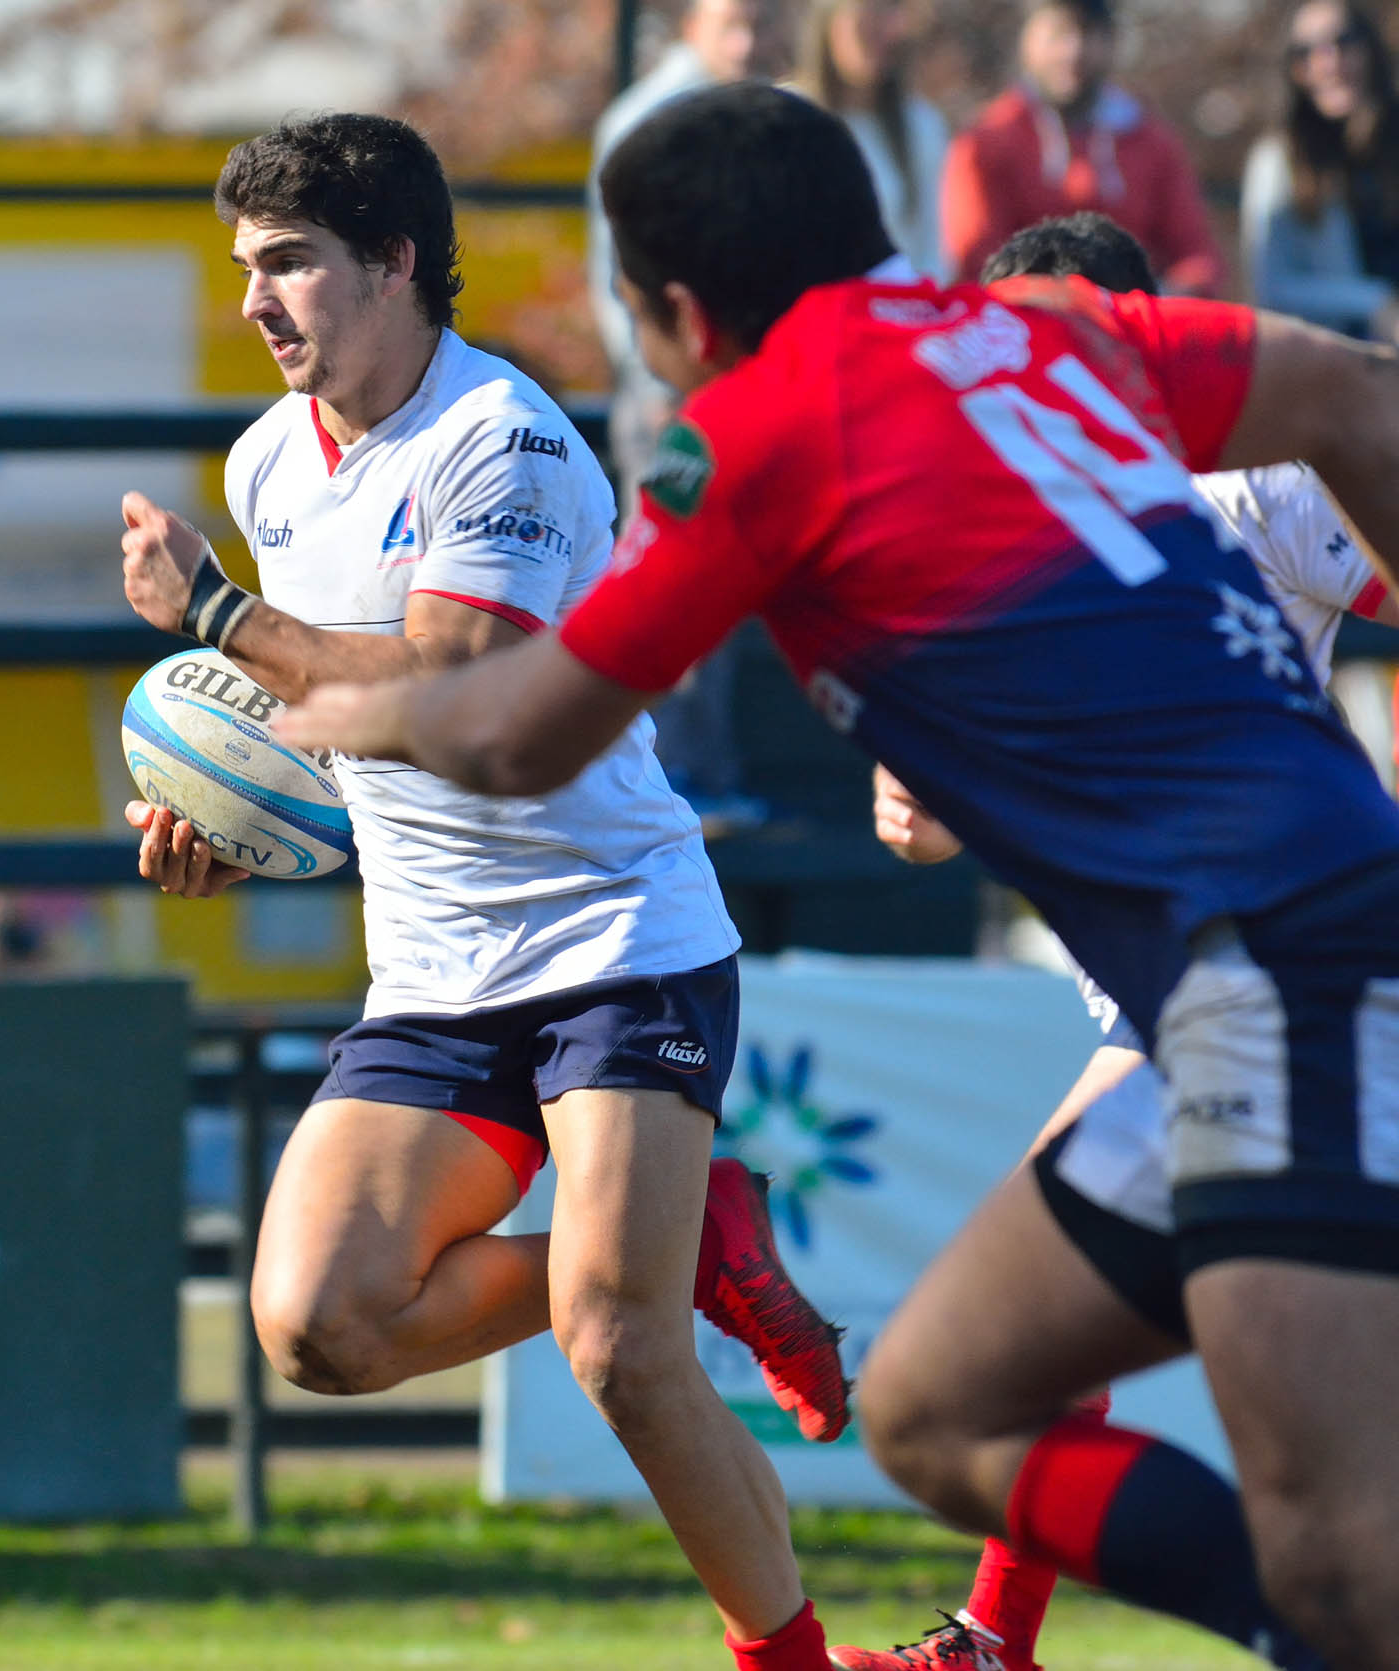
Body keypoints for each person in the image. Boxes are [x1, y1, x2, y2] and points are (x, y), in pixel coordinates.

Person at [274, 84, 1399, 1669]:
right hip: (1239, 985)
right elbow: (1360, 390)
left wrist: (271, 676)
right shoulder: (1053, 334)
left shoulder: (766, 435)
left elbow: (517, 732)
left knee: (1336, 1537)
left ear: (675, 312)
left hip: (1300, 971)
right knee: (943, 1406)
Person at [114, 112, 848, 1668]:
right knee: (318, 1320)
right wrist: (210, 806)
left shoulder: (500, 437)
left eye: (291, 263)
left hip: (614, 940)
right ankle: (697, 1241)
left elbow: (459, 678)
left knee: (620, 1346)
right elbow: (326, 722)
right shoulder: (266, 461)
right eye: (246, 265)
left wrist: (220, 618)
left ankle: (789, 1651)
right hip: (436, 970)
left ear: (395, 263)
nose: (257, 299)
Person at [827, 211, 1399, 1671]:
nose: (1025, 359)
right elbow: (939, 814)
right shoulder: (985, 517)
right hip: (1178, 995)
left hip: (1281, 978)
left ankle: (1022, 1636)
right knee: (995, 1369)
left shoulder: (1257, 483)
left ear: (1149, 344)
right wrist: (922, 801)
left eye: (1068, 327)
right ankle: (1007, 1636)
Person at [588, 0, 791, 832]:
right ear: (693, 25)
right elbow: (616, 276)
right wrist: (666, 379)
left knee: (731, 577)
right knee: (670, 571)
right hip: (670, 401)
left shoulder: (775, 114)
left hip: (746, 391)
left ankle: (708, 774)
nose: (748, 42)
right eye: (733, 22)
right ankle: (667, 776)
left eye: (764, 22)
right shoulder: (649, 121)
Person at [939, 0, 1223, 295]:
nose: (1073, 52)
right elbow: (978, 264)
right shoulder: (984, 143)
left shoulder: (1152, 141)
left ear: (1111, 41)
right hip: (1026, 327)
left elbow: (1197, 258)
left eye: (1088, 32)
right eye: (1058, 33)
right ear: (1027, 39)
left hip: (1139, 328)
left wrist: (1159, 303)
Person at [1242, 0, 1399, 339]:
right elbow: (1271, 288)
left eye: (1344, 41)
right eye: (1306, 51)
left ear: (1370, 48)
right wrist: (1375, 302)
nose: (1329, 62)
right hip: (1344, 365)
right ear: (1292, 68)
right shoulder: (1276, 161)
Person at [788, 0, 950, 278]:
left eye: (888, 14)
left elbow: (932, 252)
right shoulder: (786, 117)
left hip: (900, 307)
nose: (882, 32)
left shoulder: (922, 126)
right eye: (865, 19)